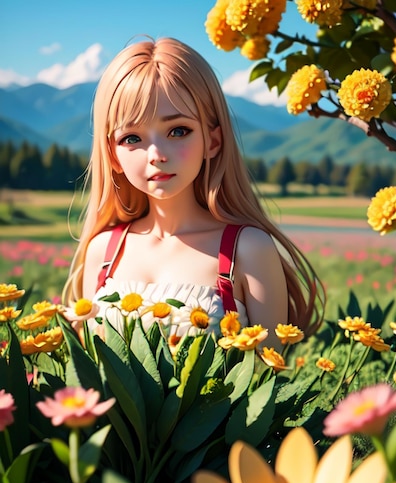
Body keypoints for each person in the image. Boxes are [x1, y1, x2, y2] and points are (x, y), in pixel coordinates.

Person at [63, 37, 324, 350]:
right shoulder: (102, 250)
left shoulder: (248, 250)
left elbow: (268, 380)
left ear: (213, 141)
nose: (156, 154)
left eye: (178, 131)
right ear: (113, 154)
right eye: (132, 138)